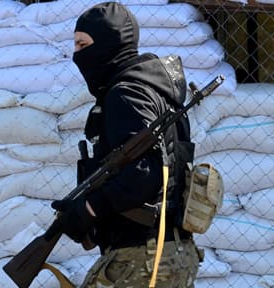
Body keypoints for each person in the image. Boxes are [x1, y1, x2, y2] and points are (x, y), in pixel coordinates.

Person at [50, 2, 201, 287]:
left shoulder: (125, 95)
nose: (77, 55)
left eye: (83, 44)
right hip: (170, 251)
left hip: (142, 257)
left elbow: (145, 173)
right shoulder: (158, 93)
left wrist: (90, 209)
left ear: (109, 42)